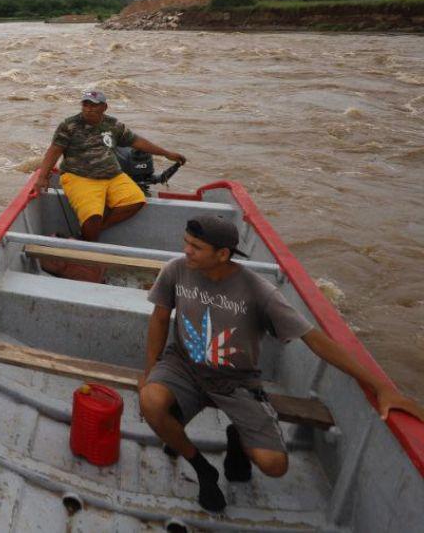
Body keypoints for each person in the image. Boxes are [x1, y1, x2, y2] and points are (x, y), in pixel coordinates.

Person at [139, 214, 424, 513]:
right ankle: (202, 469)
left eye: (196, 246)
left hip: (236, 381)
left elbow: (314, 339)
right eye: (186, 243)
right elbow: (159, 319)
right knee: (150, 400)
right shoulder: (177, 270)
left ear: (222, 254)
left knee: (274, 465)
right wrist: (150, 371)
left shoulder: (258, 291)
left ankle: (239, 438)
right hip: (184, 365)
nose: (186, 251)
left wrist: (380, 387)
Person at [30, 89, 185, 242]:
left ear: (104, 107)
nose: (89, 108)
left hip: (113, 175)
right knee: (92, 216)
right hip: (80, 176)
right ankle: (89, 248)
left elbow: (137, 141)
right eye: (85, 104)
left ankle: (91, 233)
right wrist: (43, 177)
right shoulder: (69, 125)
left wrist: (166, 153)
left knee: (136, 200)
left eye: (94, 105)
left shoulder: (113, 125)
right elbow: (54, 151)